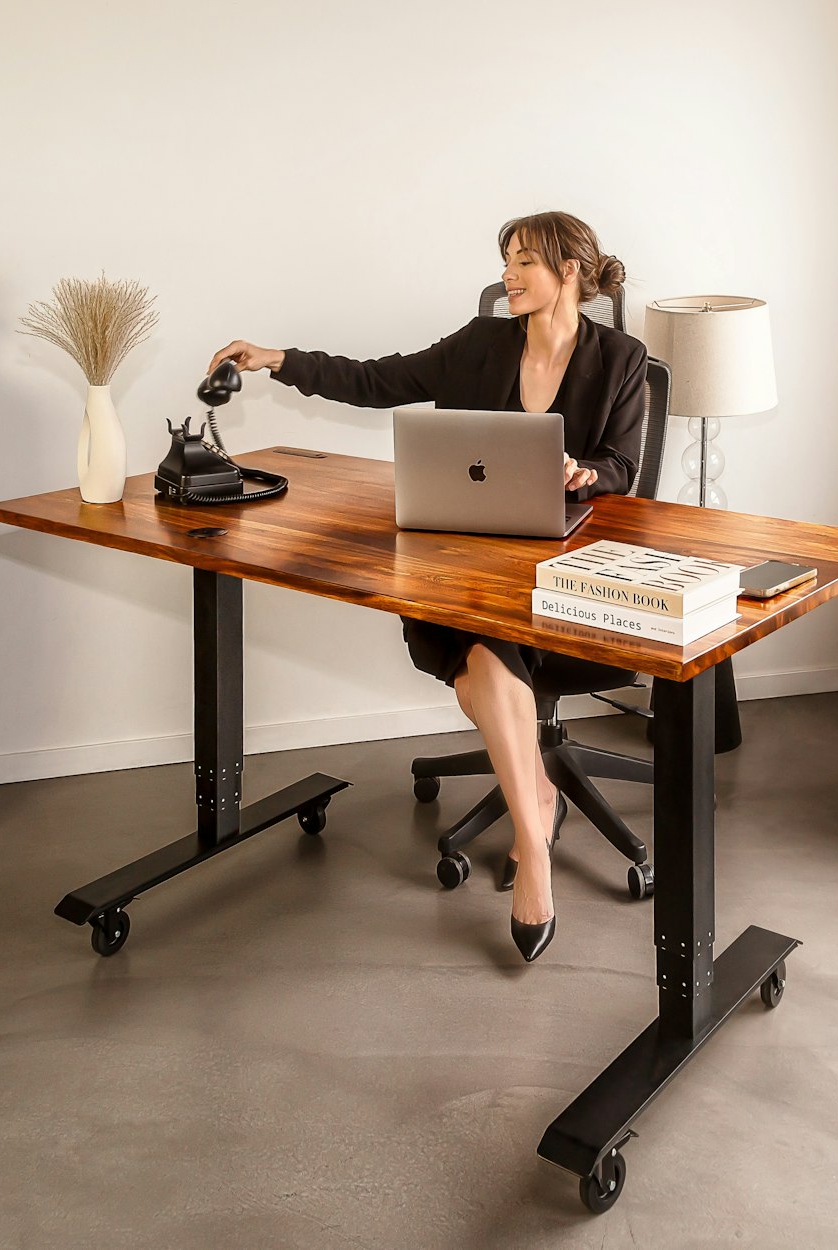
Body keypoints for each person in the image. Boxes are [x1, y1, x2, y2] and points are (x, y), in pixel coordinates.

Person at [208, 211, 648, 963]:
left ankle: (534, 829)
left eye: (522, 264)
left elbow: (622, 465)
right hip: (463, 562)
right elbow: (378, 380)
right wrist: (278, 359)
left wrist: (585, 473)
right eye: (504, 262)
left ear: (569, 272)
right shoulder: (480, 345)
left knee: (487, 651)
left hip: (559, 570)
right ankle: (534, 820)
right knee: (476, 641)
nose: (506, 277)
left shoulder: (620, 357)